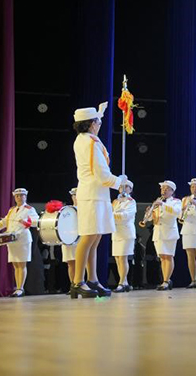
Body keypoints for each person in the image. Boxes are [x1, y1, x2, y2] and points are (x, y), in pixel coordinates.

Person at [71, 102, 126, 298]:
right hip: (93, 195)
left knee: (95, 239)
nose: (100, 124)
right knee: (88, 238)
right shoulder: (90, 143)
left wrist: (100, 113)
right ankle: (78, 281)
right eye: (97, 122)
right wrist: (120, 182)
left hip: (97, 194)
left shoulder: (84, 139)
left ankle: (92, 279)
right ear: (90, 124)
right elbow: (102, 174)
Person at [0, 188, 39, 297]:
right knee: (15, 264)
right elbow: (5, 220)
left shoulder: (29, 209)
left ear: (25, 196)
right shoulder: (12, 210)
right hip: (12, 240)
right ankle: (17, 287)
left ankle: (20, 288)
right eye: (17, 196)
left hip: (23, 239)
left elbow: (36, 221)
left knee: (21, 264)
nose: (19, 197)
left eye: (22, 195)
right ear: (14, 197)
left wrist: (26, 222)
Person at [152, 180, 181, 290]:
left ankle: (166, 280)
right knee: (162, 257)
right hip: (158, 232)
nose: (163, 190)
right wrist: (149, 213)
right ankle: (166, 280)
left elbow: (177, 212)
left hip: (169, 232)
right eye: (162, 188)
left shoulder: (175, 201)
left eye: (166, 189)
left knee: (168, 256)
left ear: (172, 191)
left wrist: (163, 205)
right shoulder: (158, 201)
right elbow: (154, 216)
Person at [111, 179, 136, 292]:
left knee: (122, 257)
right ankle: (124, 282)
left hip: (126, 232)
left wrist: (112, 215)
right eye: (121, 187)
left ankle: (121, 282)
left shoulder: (131, 202)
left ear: (130, 189)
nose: (123, 189)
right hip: (116, 232)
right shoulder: (115, 202)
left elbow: (126, 215)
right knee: (117, 258)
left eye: (126, 187)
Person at [62, 188, 79, 286]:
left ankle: (80, 284)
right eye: (74, 195)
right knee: (71, 263)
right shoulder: (66, 210)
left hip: (80, 238)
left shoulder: (86, 209)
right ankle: (73, 285)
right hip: (68, 238)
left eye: (77, 195)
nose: (76, 197)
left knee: (82, 263)